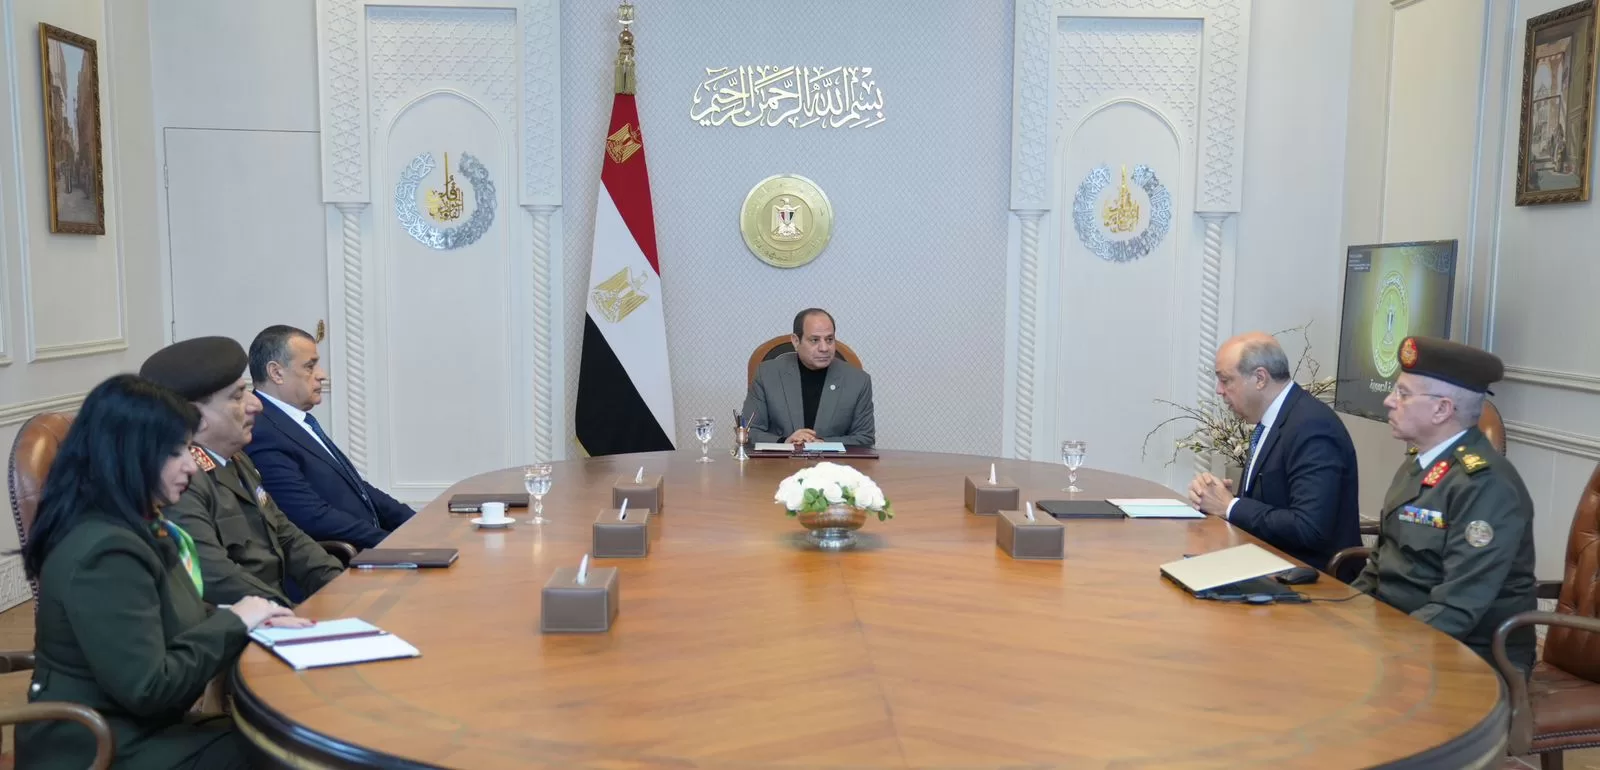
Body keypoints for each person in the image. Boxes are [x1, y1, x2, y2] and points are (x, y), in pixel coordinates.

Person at [19, 374, 308, 770]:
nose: (192, 466)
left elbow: (173, 618)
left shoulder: (139, 526)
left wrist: (256, 619)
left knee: (287, 741)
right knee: (291, 754)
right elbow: (149, 689)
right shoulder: (104, 552)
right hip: (100, 748)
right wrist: (236, 622)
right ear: (129, 455)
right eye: (176, 452)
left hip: (143, 730)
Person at [1352, 336, 1537, 674]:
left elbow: (1456, 608)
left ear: (1442, 409)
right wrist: (1342, 615)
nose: (1389, 401)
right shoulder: (1420, 463)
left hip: (1469, 655)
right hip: (1402, 633)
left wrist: (1384, 651)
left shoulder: (1485, 485)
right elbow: (1380, 565)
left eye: (1403, 394)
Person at [141, 336, 345, 606]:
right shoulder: (182, 482)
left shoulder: (237, 458)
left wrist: (342, 586)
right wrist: (290, 612)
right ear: (194, 417)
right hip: (247, 620)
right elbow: (216, 577)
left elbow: (287, 536)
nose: (256, 404)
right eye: (237, 396)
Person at [1187, 332, 1361, 575]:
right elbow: (1276, 501)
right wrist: (1222, 498)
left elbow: (1309, 528)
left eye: (1225, 380)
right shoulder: (1273, 420)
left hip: (1312, 579)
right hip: (1266, 563)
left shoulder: (1312, 426)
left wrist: (1231, 506)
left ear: (1260, 378)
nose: (1219, 390)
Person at [244, 325, 414, 549]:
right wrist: (391, 543)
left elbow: (357, 488)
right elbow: (310, 515)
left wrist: (417, 524)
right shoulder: (261, 431)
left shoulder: (297, 420)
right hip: (339, 560)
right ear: (276, 373)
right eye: (310, 366)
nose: (322, 374)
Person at [743, 308, 875, 446]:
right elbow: (748, 431)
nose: (824, 348)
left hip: (833, 459)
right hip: (780, 459)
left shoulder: (858, 381)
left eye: (829, 339)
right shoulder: (767, 374)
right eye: (814, 340)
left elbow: (865, 438)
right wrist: (785, 442)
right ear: (796, 341)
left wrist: (822, 443)